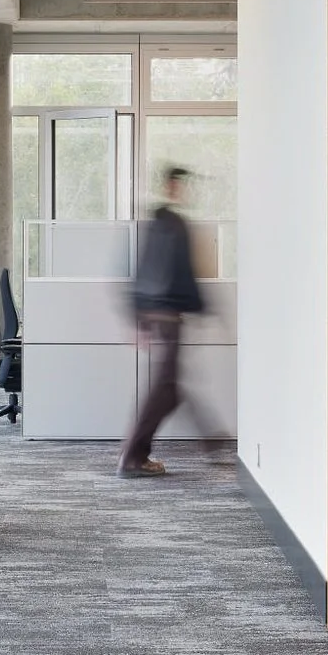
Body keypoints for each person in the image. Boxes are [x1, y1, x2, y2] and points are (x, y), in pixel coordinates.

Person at [119, 166, 208, 477]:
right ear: (172, 186)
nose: (187, 191)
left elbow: (143, 272)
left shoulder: (160, 223)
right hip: (167, 315)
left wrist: (138, 319)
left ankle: (210, 440)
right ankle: (132, 456)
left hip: (161, 314)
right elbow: (173, 273)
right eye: (183, 185)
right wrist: (200, 308)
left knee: (169, 389)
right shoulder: (172, 225)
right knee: (163, 390)